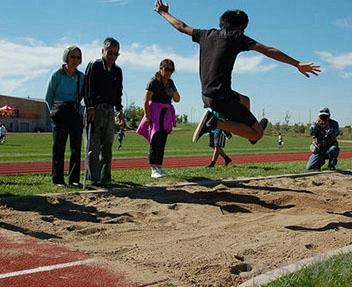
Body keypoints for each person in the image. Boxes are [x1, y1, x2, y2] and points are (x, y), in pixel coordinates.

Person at [155, 1, 321, 145]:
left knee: (245, 100)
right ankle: (216, 123)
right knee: (258, 133)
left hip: (207, 95)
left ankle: (233, 127)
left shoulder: (206, 34)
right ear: (240, 28)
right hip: (221, 97)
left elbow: (181, 26)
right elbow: (268, 50)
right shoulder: (236, 37)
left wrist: (163, 12)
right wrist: (296, 63)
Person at [83, 37, 125, 186]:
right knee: (93, 145)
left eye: (116, 54)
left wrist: (119, 110)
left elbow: (118, 92)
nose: (112, 57)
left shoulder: (118, 71)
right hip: (95, 109)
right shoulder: (94, 65)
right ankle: (93, 177)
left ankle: (105, 176)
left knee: (107, 145)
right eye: (110, 53)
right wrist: (90, 106)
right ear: (103, 51)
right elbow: (87, 87)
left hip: (110, 109)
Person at [45, 45, 84, 187]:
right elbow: (48, 97)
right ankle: (58, 179)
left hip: (75, 114)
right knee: (58, 148)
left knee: (76, 148)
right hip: (59, 114)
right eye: (72, 56)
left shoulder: (81, 77)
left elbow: (84, 97)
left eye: (78, 57)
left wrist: (81, 110)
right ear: (66, 57)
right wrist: (52, 113)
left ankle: (74, 179)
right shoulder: (56, 75)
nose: (75, 60)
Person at [137, 59, 181, 178]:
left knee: (162, 140)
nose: (169, 72)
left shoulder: (170, 83)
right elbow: (146, 100)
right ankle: (153, 169)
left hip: (166, 113)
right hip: (155, 112)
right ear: (160, 68)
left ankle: (159, 167)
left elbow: (177, 99)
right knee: (155, 140)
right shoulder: (153, 82)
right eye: (166, 69)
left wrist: (172, 93)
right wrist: (147, 115)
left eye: (171, 70)